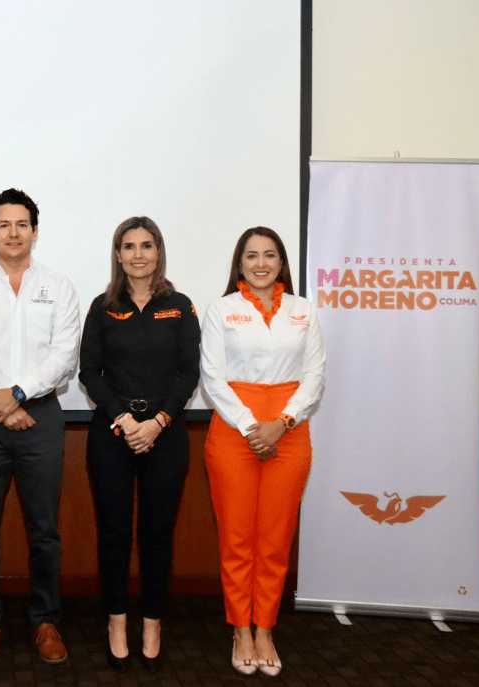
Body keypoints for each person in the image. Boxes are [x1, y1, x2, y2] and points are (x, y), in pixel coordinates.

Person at [0, 188, 81, 664]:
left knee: (44, 528)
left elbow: (64, 355)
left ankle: (46, 620)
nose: (13, 233)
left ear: (35, 231)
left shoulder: (59, 286)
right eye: (4, 225)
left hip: (40, 415)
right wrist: (1, 403)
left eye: (22, 224)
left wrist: (19, 394)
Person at [200, 227, 325, 677]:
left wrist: (282, 422)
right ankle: (240, 628)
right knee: (237, 538)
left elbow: (315, 376)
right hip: (235, 429)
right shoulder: (221, 310)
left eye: (269, 255)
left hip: (289, 430)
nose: (261, 263)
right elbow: (212, 377)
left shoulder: (303, 310)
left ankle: (265, 627)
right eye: (251, 256)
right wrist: (253, 426)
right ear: (239, 263)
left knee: (274, 538)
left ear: (281, 262)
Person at [78, 217, 200, 672]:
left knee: (157, 534)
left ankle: (152, 623)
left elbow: (189, 371)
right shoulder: (103, 306)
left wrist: (159, 422)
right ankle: (116, 622)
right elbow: (89, 372)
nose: (138, 254)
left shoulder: (179, 306)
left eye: (146, 246)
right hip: (113, 432)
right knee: (114, 533)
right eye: (128, 246)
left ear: (158, 252)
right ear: (118, 254)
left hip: (166, 434)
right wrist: (127, 420)